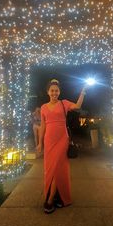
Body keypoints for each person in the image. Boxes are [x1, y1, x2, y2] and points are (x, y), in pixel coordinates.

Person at [37, 79, 86, 214]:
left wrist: (83, 92)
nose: (54, 93)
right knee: (50, 169)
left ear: (59, 92)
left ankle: (50, 200)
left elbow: (77, 106)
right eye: (52, 90)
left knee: (57, 169)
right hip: (49, 141)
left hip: (62, 140)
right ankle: (59, 198)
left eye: (56, 90)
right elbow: (43, 126)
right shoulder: (43, 107)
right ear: (48, 92)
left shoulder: (64, 103)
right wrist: (40, 143)